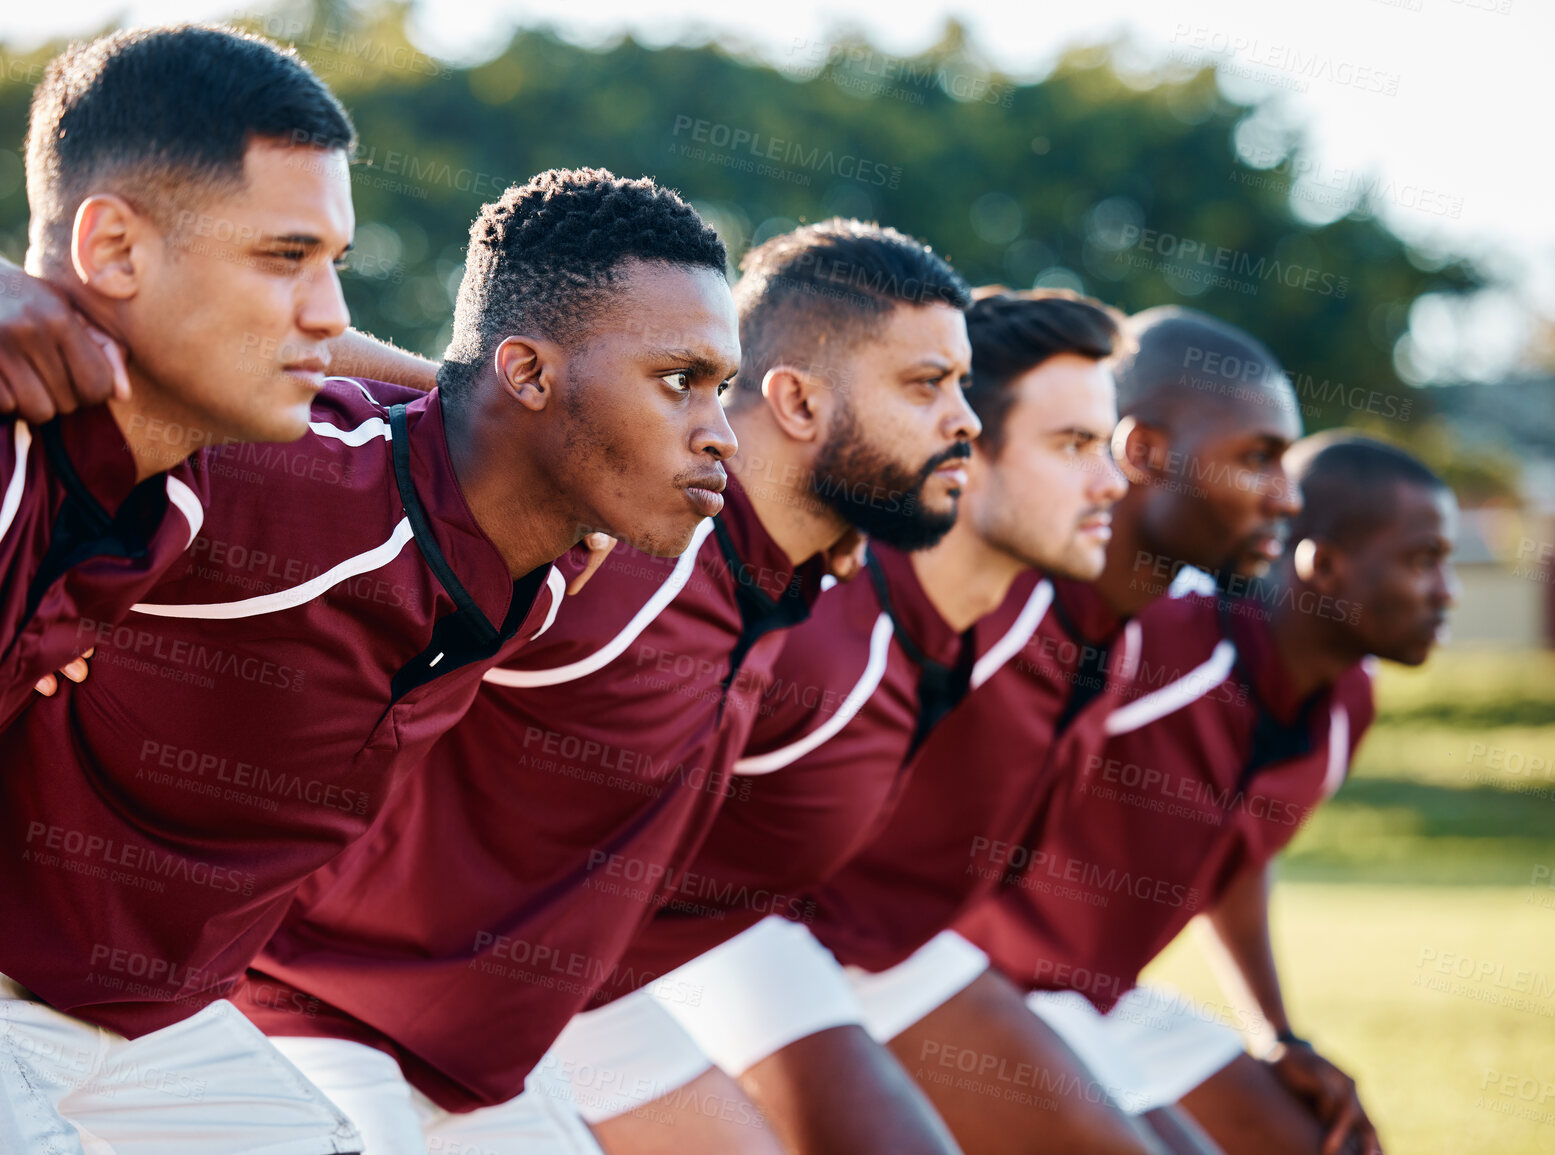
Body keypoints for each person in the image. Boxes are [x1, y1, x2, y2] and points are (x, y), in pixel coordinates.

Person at [0, 156, 742, 1153]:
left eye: (721, 387)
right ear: (528, 374)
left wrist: (475, 392)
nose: (721, 434)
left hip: (142, 1019)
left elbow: (431, 404)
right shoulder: (280, 477)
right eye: (680, 382)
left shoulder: (564, 558)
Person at [234, 220, 981, 1154]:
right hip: (307, 1014)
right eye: (927, 384)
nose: (965, 420)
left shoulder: (786, 582)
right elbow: (248, 358)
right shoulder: (615, 543)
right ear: (792, 400)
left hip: (490, 1062)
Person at [610, 306, 1308, 1155]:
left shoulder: (1121, 630)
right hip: (748, 932)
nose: (1286, 494)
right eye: (1075, 444)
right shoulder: (885, 598)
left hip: (900, 946)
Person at [553, 288, 1131, 1155]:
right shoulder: (805, 617)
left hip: (816, 946)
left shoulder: (1002, 623)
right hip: (576, 971)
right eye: (1073, 444)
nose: (1110, 481)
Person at [0, 22, 355, 866]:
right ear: (111, 249)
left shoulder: (166, 474)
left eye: (334, 261)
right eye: (284, 256)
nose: (331, 314)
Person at [958, 434, 1453, 1155]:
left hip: (1104, 999)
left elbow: (1238, 853)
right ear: (1321, 564)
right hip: (985, 983)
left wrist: (1275, 1032)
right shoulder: (1165, 635)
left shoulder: (1348, 702)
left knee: (1325, 1142)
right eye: (1421, 560)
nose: (1448, 590)